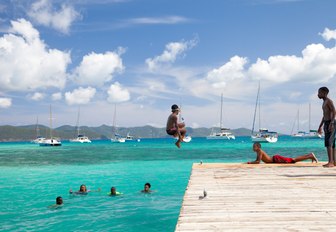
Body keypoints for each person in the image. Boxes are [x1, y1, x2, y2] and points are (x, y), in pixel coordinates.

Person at [247, 142, 318, 164]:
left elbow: (258, 162)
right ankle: (309, 156)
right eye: (253, 147)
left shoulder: (260, 151)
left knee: (293, 160)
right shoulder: (258, 152)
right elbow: (257, 160)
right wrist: (251, 162)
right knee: (293, 160)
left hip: (276, 159)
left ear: (258, 147)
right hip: (275, 159)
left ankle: (310, 156)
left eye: (254, 147)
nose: (253, 148)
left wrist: (250, 163)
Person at [317, 87, 336, 167]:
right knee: (331, 143)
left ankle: (331, 162)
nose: (318, 94)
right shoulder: (324, 102)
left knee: (329, 143)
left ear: (324, 93)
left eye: (319, 93)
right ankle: (334, 161)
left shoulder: (329, 101)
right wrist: (320, 126)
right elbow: (324, 115)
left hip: (331, 123)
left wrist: (331, 123)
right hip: (326, 123)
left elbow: (334, 111)